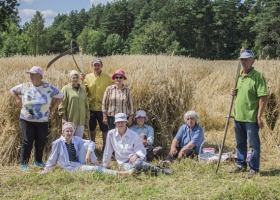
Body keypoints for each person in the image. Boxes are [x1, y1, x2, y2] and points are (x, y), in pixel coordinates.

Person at [10, 66, 64, 171]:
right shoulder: (25, 86)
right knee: (27, 141)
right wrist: (17, 100)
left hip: (42, 120)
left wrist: (53, 108)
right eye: (30, 74)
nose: (30, 76)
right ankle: (24, 163)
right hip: (26, 119)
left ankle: (38, 161)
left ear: (39, 76)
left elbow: (61, 96)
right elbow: (12, 90)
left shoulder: (48, 87)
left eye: (33, 74)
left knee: (41, 141)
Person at [40, 122, 133, 175]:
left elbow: (91, 142)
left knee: (86, 145)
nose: (69, 133)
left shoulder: (75, 139)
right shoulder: (57, 143)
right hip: (70, 167)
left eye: (71, 131)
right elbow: (51, 159)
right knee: (95, 170)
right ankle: (120, 174)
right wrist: (45, 171)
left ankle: (98, 164)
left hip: (78, 162)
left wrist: (88, 152)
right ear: (63, 132)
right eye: (67, 131)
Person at [229, 50, 268, 179]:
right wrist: (233, 92)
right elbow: (240, 95)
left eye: (246, 59)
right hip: (238, 116)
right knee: (240, 143)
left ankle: (253, 169)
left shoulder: (258, 76)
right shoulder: (239, 76)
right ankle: (241, 165)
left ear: (253, 61)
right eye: (241, 59)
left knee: (253, 145)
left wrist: (258, 116)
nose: (243, 61)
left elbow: (263, 97)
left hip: (251, 117)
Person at [102, 113, 173, 175]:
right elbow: (108, 150)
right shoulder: (111, 134)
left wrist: (136, 155)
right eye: (118, 122)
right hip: (123, 163)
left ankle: (161, 171)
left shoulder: (134, 135)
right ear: (115, 123)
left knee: (137, 164)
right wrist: (104, 165)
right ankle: (153, 168)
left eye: (122, 122)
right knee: (131, 169)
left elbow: (141, 149)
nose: (120, 124)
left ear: (126, 122)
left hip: (135, 159)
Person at [82, 58, 113, 150]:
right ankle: (92, 146)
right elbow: (84, 90)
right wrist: (81, 80)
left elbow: (112, 89)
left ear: (101, 66)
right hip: (90, 107)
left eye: (98, 65)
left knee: (104, 128)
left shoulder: (107, 77)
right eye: (95, 65)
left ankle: (105, 146)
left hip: (103, 108)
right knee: (92, 128)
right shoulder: (87, 77)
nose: (96, 67)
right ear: (92, 66)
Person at [58, 70, 90, 138]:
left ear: (79, 78)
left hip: (81, 120)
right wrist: (63, 117)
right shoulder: (65, 89)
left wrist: (87, 118)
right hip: (70, 119)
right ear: (70, 78)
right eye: (73, 77)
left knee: (78, 140)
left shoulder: (82, 90)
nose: (75, 79)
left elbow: (86, 105)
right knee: (68, 139)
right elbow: (62, 104)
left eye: (77, 77)